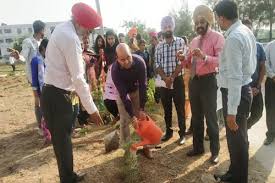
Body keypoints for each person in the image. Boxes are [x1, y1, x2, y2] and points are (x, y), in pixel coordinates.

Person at [41, 3, 104, 182]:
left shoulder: (62, 29)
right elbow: (77, 78)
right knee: (62, 144)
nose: (88, 34)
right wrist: (92, 109)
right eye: (89, 30)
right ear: (79, 22)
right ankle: (67, 179)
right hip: (57, 98)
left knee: (64, 142)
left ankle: (69, 176)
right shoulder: (70, 38)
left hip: (59, 95)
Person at [213, 1, 257, 182]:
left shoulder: (233, 38)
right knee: (237, 139)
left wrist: (231, 112)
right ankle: (234, 173)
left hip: (235, 94)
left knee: (237, 141)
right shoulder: (245, 31)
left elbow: (234, 78)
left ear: (222, 18)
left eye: (217, 18)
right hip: (241, 90)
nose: (217, 21)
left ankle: (239, 178)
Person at [179, 5, 224, 164]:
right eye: (196, 23)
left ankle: (215, 152)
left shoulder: (217, 37)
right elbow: (189, 63)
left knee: (211, 118)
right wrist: (183, 59)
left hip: (208, 81)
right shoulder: (193, 41)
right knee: (196, 118)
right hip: (194, 82)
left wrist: (205, 57)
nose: (199, 25)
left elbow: (221, 60)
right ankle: (198, 148)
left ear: (208, 22)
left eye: (202, 22)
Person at [111, 43, 152, 158]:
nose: (126, 62)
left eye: (128, 57)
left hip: (137, 90)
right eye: (122, 59)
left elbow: (143, 86)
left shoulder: (140, 62)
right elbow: (124, 95)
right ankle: (128, 149)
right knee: (124, 121)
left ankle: (146, 147)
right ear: (117, 59)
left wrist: (141, 108)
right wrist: (132, 115)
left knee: (142, 118)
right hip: (123, 94)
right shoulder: (115, 70)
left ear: (131, 54)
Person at [10, 20, 46, 134]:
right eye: (43, 30)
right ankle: (40, 126)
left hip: (44, 75)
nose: (44, 32)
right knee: (38, 100)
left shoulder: (42, 42)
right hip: (34, 76)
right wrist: (18, 56)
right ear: (41, 30)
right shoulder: (28, 42)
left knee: (44, 99)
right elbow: (24, 57)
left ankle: (46, 124)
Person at [155, 16, 186, 145]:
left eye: (169, 26)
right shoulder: (159, 47)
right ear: (162, 29)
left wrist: (172, 78)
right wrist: (165, 78)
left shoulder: (180, 42)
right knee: (167, 108)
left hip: (177, 80)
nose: (167, 28)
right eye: (165, 26)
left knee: (180, 108)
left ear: (173, 26)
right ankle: (168, 132)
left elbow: (182, 62)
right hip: (164, 82)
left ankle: (182, 134)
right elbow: (157, 64)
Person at [242, 19, 266, 130]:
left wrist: (257, 86)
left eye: (249, 28)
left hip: (256, 88)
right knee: (242, 115)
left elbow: (262, 68)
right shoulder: (238, 46)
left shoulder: (259, 47)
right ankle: (242, 137)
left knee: (258, 113)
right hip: (242, 89)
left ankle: (245, 128)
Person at [31, 39, 49, 136]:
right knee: (39, 105)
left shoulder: (47, 59)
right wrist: (35, 90)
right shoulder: (35, 60)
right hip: (38, 88)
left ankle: (46, 126)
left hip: (47, 87)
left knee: (45, 107)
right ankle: (40, 127)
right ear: (42, 48)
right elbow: (34, 76)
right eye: (48, 49)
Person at [264, 40, 275, 145]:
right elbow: (265, 62)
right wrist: (272, 75)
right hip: (272, 82)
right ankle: (271, 134)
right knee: (271, 109)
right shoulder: (270, 45)